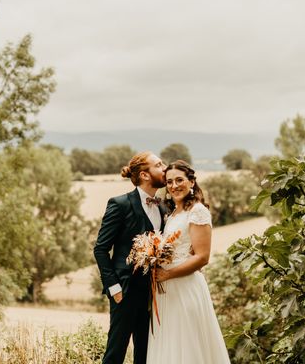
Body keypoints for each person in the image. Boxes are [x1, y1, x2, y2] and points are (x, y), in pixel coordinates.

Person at [146, 159, 230, 363]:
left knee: (188, 347)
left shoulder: (198, 211)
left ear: (192, 182)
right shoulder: (173, 213)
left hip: (185, 288)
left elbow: (202, 257)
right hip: (167, 292)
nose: (174, 186)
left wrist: (167, 274)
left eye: (179, 180)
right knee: (170, 347)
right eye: (169, 182)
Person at [94, 151, 168, 364]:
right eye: (159, 165)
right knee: (115, 352)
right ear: (145, 175)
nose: (164, 168)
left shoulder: (163, 207)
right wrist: (114, 288)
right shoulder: (120, 204)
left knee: (146, 354)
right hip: (124, 291)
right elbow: (100, 249)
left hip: (153, 294)